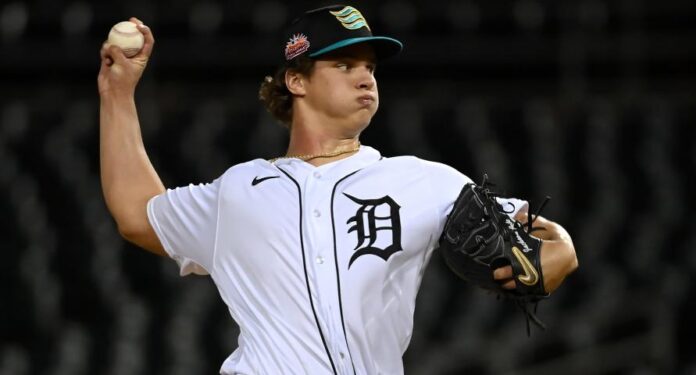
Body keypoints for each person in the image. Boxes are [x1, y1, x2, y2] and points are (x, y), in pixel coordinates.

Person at [98, 5, 578, 374]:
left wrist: (563, 249)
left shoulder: (423, 180)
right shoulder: (238, 190)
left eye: (370, 66)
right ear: (295, 80)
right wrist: (117, 95)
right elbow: (138, 214)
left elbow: (541, 234)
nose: (366, 76)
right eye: (344, 64)